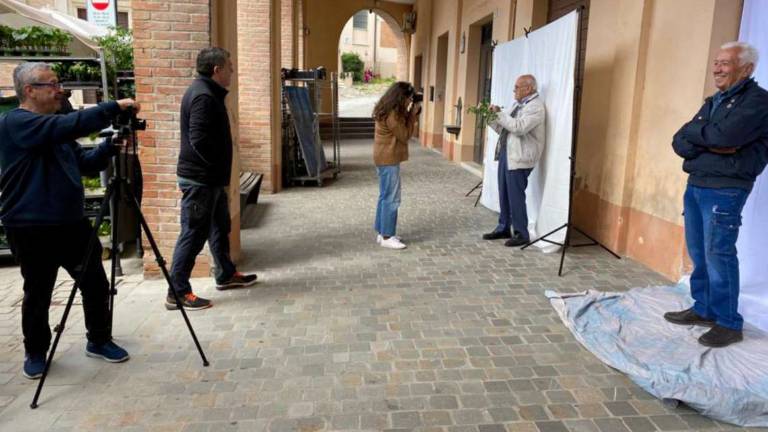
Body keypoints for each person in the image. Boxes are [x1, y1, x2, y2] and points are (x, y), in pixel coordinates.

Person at [0, 62, 139, 379]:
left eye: (58, 82)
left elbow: (86, 164)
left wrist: (109, 147)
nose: (59, 89)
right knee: (39, 291)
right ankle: (35, 351)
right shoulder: (15, 123)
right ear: (29, 90)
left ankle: (99, 339)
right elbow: (68, 126)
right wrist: (111, 107)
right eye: (51, 83)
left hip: (70, 223)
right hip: (30, 225)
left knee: (95, 283)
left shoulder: (57, 128)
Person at [665, 42, 768, 348]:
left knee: (718, 254)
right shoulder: (714, 101)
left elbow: (726, 136)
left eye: (725, 63)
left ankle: (728, 322)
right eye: (716, 62)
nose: (717, 68)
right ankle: (704, 308)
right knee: (699, 252)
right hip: (697, 184)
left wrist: (703, 137)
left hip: (726, 189)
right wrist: (707, 141)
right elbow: (679, 140)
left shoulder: (759, 102)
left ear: (746, 69)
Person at [167, 47, 257, 311]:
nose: (232, 70)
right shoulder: (203, 96)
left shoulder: (207, 92)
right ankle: (177, 291)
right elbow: (198, 141)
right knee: (194, 234)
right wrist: (213, 169)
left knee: (220, 228)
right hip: (201, 181)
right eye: (229, 66)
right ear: (217, 69)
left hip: (211, 180)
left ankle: (225, 274)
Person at [482, 74, 546, 247]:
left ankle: (521, 233)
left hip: (520, 157)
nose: (514, 91)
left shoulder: (536, 107)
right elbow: (503, 128)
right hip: (507, 153)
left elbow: (519, 128)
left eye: (517, 87)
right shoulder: (517, 105)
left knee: (515, 196)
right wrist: (490, 116)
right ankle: (503, 227)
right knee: (504, 193)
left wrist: (500, 114)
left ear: (529, 88)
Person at [372, 81, 421, 249]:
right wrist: (413, 115)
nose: (409, 102)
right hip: (388, 159)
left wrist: (409, 114)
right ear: (401, 97)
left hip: (384, 158)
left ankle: (382, 232)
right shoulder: (392, 114)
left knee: (384, 195)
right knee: (392, 198)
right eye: (408, 98)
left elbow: (400, 128)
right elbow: (404, 135)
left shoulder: (388, 109)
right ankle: (387, 236)